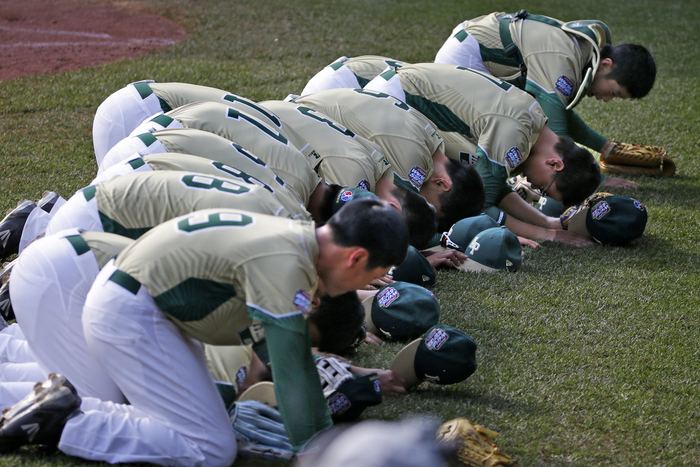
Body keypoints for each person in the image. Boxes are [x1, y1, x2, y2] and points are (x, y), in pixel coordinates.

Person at [0, 199, 410, 465]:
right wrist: (324, 453)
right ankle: (64, 420)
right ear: (357, 257)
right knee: (210, 449)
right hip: (132, 308)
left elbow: (269, 347)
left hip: (138, 301)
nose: (364, 286)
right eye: (375, 273)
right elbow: (292, 370)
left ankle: (58, 406)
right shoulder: (288, 260)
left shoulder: (292, 241)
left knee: (204, 427)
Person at [364, 62, 601, 246]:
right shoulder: (514, 133)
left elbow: (493, 187)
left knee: (458, 188)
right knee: (427, 206)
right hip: (389, 103)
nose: (534, 187)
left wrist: (548, 223)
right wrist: (546, 235)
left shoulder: (533, 120)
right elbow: (482, 205)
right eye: (544, 189)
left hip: (397, 94)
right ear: (555, 164)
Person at [434, 11, 656, 188]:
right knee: (513, 135)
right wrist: (598, 181)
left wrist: (606, 148)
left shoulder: (581, 51)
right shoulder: (565, 59)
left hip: (471, 48)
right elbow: (557, 134)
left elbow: (559, 113)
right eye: (614, 92)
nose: (607, 99)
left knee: (526, 122)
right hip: (465, 60)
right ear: (606, 64)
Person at [293, 88, 485, 232]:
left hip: (308, 109)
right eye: (431, 206)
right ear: (442, 183)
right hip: (303, 107)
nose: (423, 202)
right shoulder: (410, 159)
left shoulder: (430, 140)